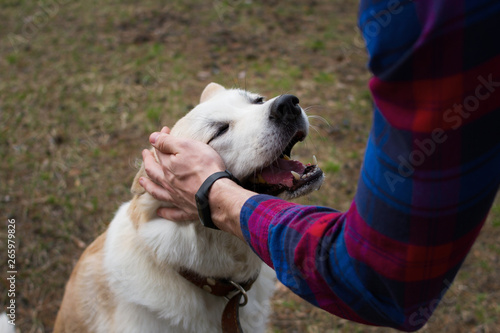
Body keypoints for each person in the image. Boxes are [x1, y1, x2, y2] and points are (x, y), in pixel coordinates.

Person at [139, 0, 500, 331]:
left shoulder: (422, 19)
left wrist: (215, 194)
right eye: (220, 129)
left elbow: (372, 275)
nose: (275, 106)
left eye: (257, 101)